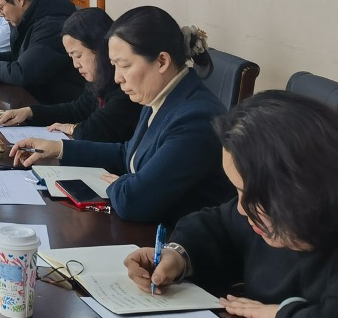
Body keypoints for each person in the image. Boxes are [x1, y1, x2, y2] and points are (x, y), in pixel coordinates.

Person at [9, 6, 232, 224]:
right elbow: (128, 154)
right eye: (114, 65)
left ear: (162, 61)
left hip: (175, 239)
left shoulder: (195, 118)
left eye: (124, 65)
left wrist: (121, 183)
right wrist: (59, 149)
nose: (117, 78)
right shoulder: (160, 94)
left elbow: (133, 201)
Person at [125, 91, 338, 317]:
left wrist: (281, 313)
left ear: (298, 188)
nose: (241, 208)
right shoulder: (265, 214)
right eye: (238, 191)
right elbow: (218, 225)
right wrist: (176, 256)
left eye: (248, 193)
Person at [0, 8, 141, 143]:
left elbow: (95, 130)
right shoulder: (100, 80)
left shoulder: (125, 86)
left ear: (100, 48)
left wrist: (74, 129)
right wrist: (29, 112)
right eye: (71, 57)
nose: (75, 64)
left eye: (78, 55)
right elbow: (77, 110)